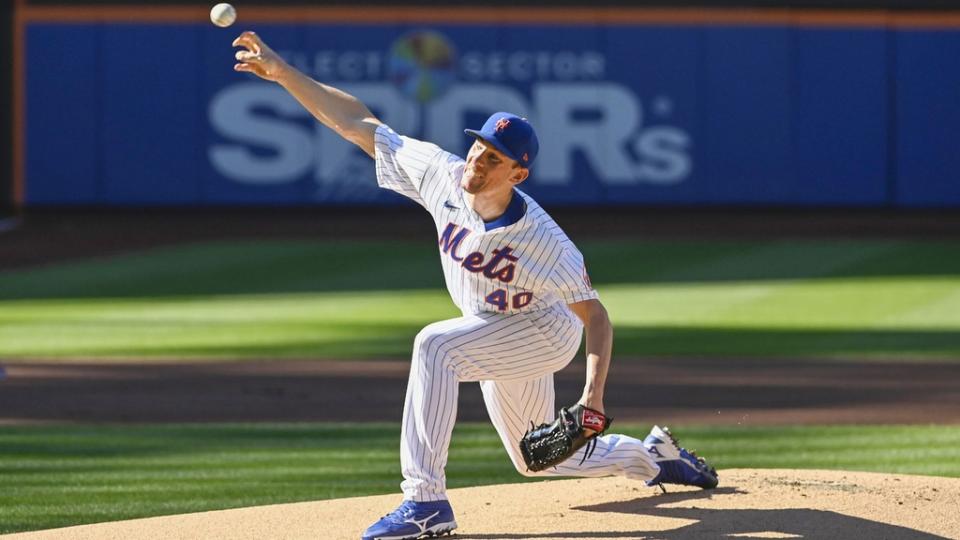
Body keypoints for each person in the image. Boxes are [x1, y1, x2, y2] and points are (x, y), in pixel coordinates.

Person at [232, 31, 719, 540]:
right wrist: (284, 74)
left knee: (435, 347)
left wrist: (592, 395)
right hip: (488, 326)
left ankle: (425, 502)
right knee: (538, 460)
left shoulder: (545, 241)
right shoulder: (442, 175)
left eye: (493, 158)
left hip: (542, 332)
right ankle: (655, 457)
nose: (477, 162)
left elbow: (595, 317)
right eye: (478, 147)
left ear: (519, 173)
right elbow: (360, 124)